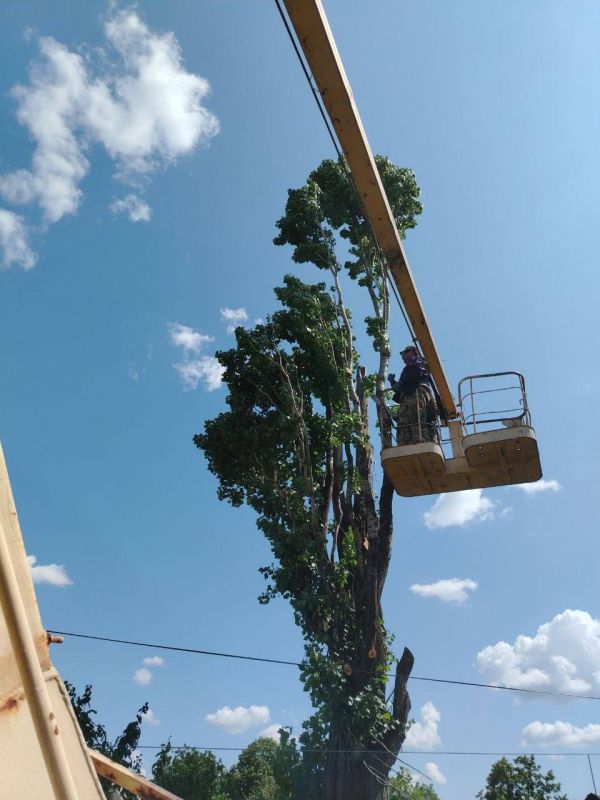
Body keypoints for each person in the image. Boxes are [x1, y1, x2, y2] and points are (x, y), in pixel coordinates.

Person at [388, 345, 440, 445]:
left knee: (417, 416)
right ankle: (404, 444)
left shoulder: (420, 362)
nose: (403, 356)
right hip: (406, 396)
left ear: (413, 352)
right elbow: (400, 388)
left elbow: (417, 373)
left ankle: (421, 440)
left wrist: (401, 382)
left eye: (405, 352)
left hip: (417, 391)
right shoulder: (406, 369)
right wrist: (392, 382)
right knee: (403, 422)